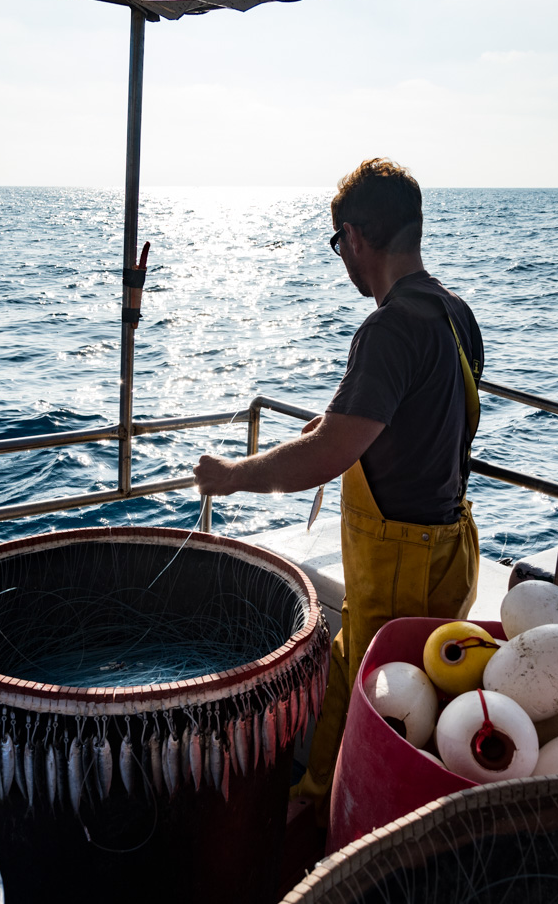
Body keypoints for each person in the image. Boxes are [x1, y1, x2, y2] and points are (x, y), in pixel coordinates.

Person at [193, 158, 483, 818]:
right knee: (422, 704)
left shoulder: (388, 329)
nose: (342, 260)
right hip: (450, 554)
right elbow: (381, 418)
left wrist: (231, 477)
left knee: (367, 704)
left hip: (397, 568)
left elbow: (329, 452)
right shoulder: (454, 314)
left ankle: (329, 828)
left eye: (339, 245)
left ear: (355, 237)